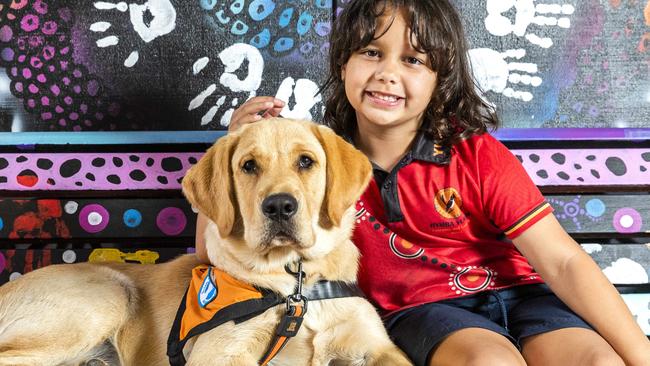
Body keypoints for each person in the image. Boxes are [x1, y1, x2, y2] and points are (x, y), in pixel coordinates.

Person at [195, 0, 650, 365]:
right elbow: (213, 252)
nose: (388, 72)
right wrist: (233, 149)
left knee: (599, 361)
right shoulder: (316, 164)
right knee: (491, 362)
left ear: (440, 79)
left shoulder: (476, 154)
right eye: (371, 52)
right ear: (342, 64)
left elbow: (564, 263)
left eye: (413, 59)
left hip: (526, 295)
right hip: (425, 312)